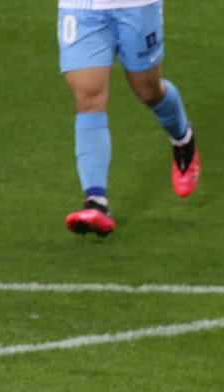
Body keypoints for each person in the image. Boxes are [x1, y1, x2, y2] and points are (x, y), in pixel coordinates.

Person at [57, 0, 200, 237]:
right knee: (88, 97)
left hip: (137, 5)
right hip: (81, 9)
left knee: (148, 90)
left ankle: (183, 137)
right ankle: (95, 201)